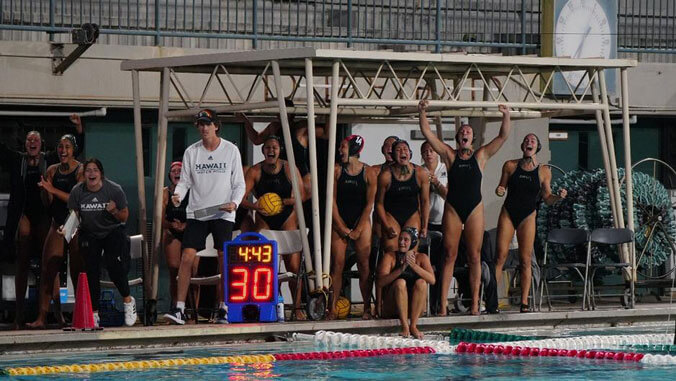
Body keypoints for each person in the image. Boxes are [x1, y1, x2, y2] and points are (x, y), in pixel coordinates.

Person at [418, 100, 512, 316]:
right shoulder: (449, 156)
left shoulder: (481, 156)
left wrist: (506, 114)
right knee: (449, 255)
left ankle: (476, 304)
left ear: (472, 139)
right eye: (462, 131)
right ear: (458, 138)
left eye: (468, 131)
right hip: (453, 207)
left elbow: (503, 137)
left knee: (474, 256)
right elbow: (428, 134)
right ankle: (442, 305)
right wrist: (422, 111)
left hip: (474, 209)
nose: (465, 133)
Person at [0, 114, 84, 329]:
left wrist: (79, 130)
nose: (33, 143)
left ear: (42, 145)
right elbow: (2, 150)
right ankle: (23, 316)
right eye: (29, 140)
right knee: (29, 264)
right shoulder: (23, 162)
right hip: (31, 215)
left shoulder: (55, 163)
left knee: (60, 268)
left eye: (36, 140)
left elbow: (75, 151)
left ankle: (61, 315)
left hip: (56, 219)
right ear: (25, 144)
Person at [164, 109, 246, 325]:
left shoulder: (230, 150)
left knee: (223, 259)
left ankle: (224, 308)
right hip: (198, 213)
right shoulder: (192, 152)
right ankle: (180, 308)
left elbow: (239, 183)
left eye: (207, 124)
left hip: (223, 212)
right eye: (200, 124)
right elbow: (185, 182)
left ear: (216, 126)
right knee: (187, 257)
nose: (203, 128)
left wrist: (235, 203)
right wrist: (178, 196)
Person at [494, 133, 567, 312]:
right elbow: (501, 188)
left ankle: (525, 302)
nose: (529, 142)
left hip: (528, 215)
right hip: (508, 212)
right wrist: (500, 190)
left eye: (533, 140)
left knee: (525, 260)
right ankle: (492, 299)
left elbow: (547, 198)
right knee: (500, 256)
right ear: (522, 146)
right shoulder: (510, 166)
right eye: (526, 140)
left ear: (537, 147)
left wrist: (558, 197)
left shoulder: (544, 171)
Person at [240, 136, 305, 319]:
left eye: (274, 147)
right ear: (263, 151)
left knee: (292, 267)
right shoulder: (255, 171)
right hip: (264, 218)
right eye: (267, 147)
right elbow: (241, 198)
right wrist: (256, 206)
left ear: (279, 150)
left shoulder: (290, 168)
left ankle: (297, 308)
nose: (271, 150)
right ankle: (268, 306)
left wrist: (286, 201)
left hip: (287, 217)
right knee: (266, 267)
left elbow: (303, 196)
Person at [67, 158, 137, 327]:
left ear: (101, 174)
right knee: (91, 270)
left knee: (114, 265)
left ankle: (128, 300)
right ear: (84, 175)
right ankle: (94, 313)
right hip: (90, 233)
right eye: (88, 171)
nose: (91, 173)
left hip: (112, 231)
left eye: (94, 170)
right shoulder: (77, 191)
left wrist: (113, 211)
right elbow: (74, 215)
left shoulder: (114, 190)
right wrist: (67, 229)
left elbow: (125, 217)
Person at [27, 135, 85, 328]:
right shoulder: (52, 170)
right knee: (48, 270)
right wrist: (45, 191)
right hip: (57, 222)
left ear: (73, 149)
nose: (63, 150)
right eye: (60, 146)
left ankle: (80, 316)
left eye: (67, 146)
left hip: (75, 223)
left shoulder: (81, 170)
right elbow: (47, 203)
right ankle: (42, 318)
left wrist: (51, 189)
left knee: (77, 271)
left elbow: (75, 200)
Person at [328, 135, 378, 320]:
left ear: (354, 149)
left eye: (343, 147)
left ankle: (366, 308)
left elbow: (369, 205)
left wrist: (358, 229)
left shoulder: (369, 173)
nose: (340, 151)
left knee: (364, 265)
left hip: (361, 222)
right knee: (337, 266)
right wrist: (341, 226)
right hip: (339, 221)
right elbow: (331, 201)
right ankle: (332, 309)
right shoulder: (336, 171)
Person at [377, 227, 435, 339]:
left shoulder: (422, 258)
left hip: (415, 309)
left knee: (422, 282)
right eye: (400, 239)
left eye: (406, 240)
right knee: (400, 282)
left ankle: (413, 325)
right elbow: (380, 282)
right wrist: (401, 269)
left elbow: (432, 280)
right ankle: (405, 326)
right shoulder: (390, 257)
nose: (401, 242)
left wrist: (414, 266)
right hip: (393, 307)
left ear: (413, 242)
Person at [375, 139, 430, 254]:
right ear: (393, 156)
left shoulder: (420, 173)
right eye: (398, 150)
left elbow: (425, 202)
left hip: (412, 215)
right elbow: (379, 204)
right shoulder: (386, 175)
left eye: (405, 149)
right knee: (392, 251)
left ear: (410, 153)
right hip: (391, 216)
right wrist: (386, 226)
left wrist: (424, 226)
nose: (402, 152)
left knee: (410, 252)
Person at [420, 140, 448, 314]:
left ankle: (441, 303)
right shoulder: (419, 170)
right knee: (428, 266)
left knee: (443, 264)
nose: (429, 153)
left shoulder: (446, 169)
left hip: (445, 223)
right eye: (425, 151)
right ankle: (427, 304)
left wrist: (436, 184)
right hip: (426, 224)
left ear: (437, 153)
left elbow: (450, 196)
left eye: (431, 150)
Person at [161, 161, 188, 309]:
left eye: (180, 170)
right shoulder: (165, 192)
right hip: (172, 232)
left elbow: (198, 214)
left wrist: (186, 225)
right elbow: (160, 219)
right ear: (169, 175)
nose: (177, 172)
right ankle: (175, 305)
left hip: (191, 231)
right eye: (173, 171)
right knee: (174, 270)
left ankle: (191, 309)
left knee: (193, 272)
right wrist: (172, 225)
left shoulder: (192, 190)